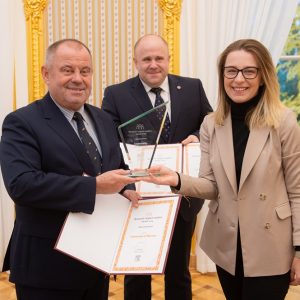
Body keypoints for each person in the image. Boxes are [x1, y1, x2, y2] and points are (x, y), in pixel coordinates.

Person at [139, 38, 300, 300]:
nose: (239, 79)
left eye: (249, 71)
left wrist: (299, 251)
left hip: (270, 246)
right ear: (222, 75)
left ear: (263, 77)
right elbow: (212, 186)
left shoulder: (283, 122)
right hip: (228, 245)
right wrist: (177, 179)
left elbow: (297, 192)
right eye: (231, 71)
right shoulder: (211, 125)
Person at [0, 39, 140, 300]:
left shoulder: (103, 118)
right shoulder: (21, 122)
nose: (78, 79)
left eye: (85, 71)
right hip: (46, 267)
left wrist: (128, 187)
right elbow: (22, 184)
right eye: (67, 70)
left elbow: (117, 166)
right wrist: (95, 186)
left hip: (96, 261)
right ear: (46, 73)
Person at [102, 34, 212, 300]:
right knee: (136, 272)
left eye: (159, 58)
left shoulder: (192, 87)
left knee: (179, 273)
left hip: (181, 195)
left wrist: (197, 135)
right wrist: (126, 185)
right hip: (139, 196)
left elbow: (210, 122)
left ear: (168, 59)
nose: (153, 64)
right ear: (135, 62)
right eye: (146, 59)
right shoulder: (116, 94)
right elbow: (108, 141)